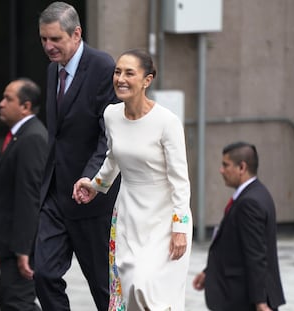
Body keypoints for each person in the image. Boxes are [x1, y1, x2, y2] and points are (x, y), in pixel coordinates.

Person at [73, 48, 193, 311]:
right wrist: (95, 185)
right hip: (127, 214)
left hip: (164, 218)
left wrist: (180, 228)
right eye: (117, 72)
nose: (121, 78)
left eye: (130, 73)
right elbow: (113, 158)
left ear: (147, 80)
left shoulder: (167, 122)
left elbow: (180, 181)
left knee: (147, 289)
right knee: (129, 288)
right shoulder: (111, 115)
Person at [33, 2, 120, 310]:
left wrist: (92, 178)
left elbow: (107, 135)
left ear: (76, 33)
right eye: (44, 39)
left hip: (91, 198)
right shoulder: (51, 69)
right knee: (43, 274)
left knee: (103, 289)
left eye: (55, 39)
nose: (48, 46)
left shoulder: (102, 67)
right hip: (56, 194)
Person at [192, 142, 286, 311]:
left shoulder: (250, 202)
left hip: (242, 301)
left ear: (242, 167)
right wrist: (209, 272)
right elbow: (232, 245)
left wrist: (260, 302)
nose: (221, 170)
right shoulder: (256, 193)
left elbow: (256, 255)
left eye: (225, 165)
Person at [0, 78, 48, 311]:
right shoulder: (20, 135)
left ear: (26, 107)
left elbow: (29, 197)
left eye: (8, 99)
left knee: (17, 304)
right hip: (9, 245)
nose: (1, 104)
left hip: (20, 246)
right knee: (12, 302)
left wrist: (23, 249)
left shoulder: (32, 138)